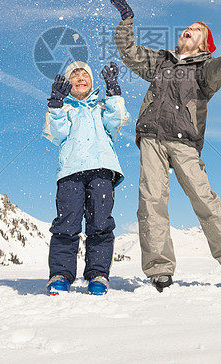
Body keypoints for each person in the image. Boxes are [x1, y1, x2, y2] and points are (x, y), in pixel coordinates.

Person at [110, 0, 221, 290]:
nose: (189, 29)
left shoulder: (205, 70)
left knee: (203, 197)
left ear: (204, 44)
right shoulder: (161, 62)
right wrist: (126, 19)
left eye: (197, 30)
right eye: (188, 27)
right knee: (151, 201)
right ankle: (160, 269)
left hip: (184, 142)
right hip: (151, 137)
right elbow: (130, 52)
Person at [43, 60, 131, 295]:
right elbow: (57, 132)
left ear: (92, 83)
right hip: (71, 172)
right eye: (75, 75)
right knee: (66, 223)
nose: (81, 78)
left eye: (85, 75)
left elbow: (117, 122)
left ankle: (98, 274)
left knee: (100, 224)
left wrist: (113, 93)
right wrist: (56, 105)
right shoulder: (65, 109)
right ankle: (60, 274)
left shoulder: (102, 108)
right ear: (67, 84)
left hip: (102, 171)